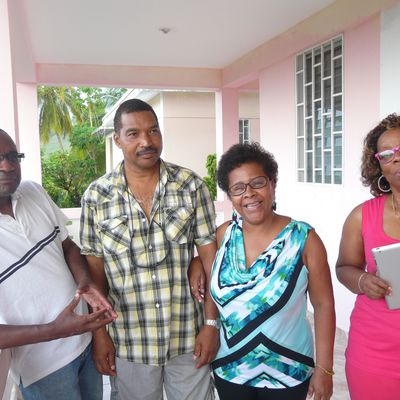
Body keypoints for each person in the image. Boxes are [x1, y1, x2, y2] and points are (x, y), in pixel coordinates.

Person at [80, 98, 219, 400]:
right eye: (134, 134)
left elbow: (212, 262)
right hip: (130, 343)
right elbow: (95, 274)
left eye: (153, 131)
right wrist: (99, 333)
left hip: (188, 337)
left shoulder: (191, 186)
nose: (147, 141)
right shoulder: (97, 196)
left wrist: (211, 324)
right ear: (117, 139)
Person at [191, 142, 335, 400]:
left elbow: (324, 305)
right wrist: (195, 266)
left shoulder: (304, 239)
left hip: (288, 370)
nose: (249, 194)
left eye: (257, 183)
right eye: (238, 188)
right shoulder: (224, 235)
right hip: (230, 368)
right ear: (230, 195)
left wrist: (324, 369)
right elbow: (206, 265)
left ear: (272, 184)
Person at [0, 129, 117, 400]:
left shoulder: (32, 192)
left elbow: (67, 247)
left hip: (86, 343)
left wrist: (84, 282)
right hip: (43, 370)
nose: (6, 166)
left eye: (12, 156)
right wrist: (53, 331)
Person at [336, 113, 400, 400]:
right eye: (387, 154)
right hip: (374, 353)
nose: (396, 159)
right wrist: (363, 281)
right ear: (378, 164)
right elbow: (344, 268)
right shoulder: (362, 216)